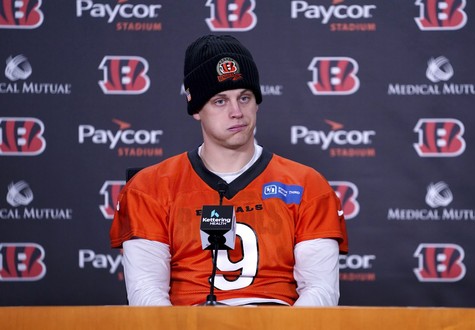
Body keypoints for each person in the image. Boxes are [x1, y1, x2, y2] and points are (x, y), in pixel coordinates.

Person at [109, 34, 348, 306]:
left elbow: (320, 291)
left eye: (244, 97)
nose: (237, 112)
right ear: (196, 108)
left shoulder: (306, 185)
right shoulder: (149, 187)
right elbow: (147, 296)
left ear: (257, 102)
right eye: (220, 101)